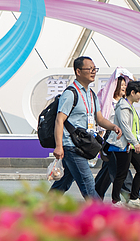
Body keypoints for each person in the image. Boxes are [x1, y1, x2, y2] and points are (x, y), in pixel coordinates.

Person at [50, 57, 121, 200]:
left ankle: (43, 209)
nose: (93, 72)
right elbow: (59, 120)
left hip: (83, 144)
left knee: (63, 183)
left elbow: (99, 119)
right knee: (88, 185)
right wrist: (59, 146)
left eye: (95, 69)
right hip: (71, 146)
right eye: (90, 69)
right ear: (78, 71)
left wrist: (113, 126)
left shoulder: (91, 94)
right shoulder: (70, 94)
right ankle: (100, 216)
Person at [107, 80, 140, 210]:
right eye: (139, 93)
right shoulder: (123, 107)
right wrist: (135, 142)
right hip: (124, 145)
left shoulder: (129, 106)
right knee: (122, 173)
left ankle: (134, 198)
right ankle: (115, 200)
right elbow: (125, 127)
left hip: (131, 145)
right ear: (132, 92)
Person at [94, 69, 132, 200]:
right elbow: (102, 118)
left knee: (109, 168)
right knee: (121, 166)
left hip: (122, 135)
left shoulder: (125, 102)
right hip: (110, 136)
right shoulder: (107, 101)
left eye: (125, 86)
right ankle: (130, 195)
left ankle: (96, 194)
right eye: (121, 86)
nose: (124, 88)